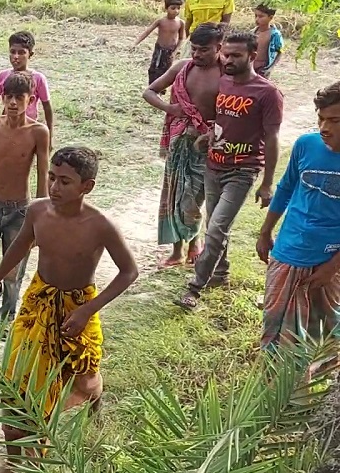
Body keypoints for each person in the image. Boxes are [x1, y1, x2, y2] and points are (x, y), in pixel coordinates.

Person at [0, 147, 138, 473]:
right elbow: (18, 248)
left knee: (85, 376)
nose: (54, 186)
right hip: (38, 304)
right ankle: (13, 462)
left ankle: (94, 400)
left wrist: (87, 311)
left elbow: (129, 272)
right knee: (16, 381)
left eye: (65, 181)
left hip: (78, 308)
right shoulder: (37, 211)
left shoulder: (100, 225)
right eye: (51, 177)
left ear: (86, 186)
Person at [176, 32, 283, 310]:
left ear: (252, 56)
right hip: (213, 164)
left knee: (216, 228)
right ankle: (220, 273)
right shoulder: (223, 82)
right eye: (226, 54)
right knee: (215, 225)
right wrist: (208, 136)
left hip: (243, 170)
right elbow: (222, 120)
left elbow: (272, 138)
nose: (229, 60)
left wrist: (267, 183)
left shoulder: (267, 93)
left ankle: (194, 288)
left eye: (236, 55)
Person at [255, 82, 340, 352]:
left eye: (334, 121)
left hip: (328, 258)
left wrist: (333, 266)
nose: (324, 128)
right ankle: (272, 374)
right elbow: (285, 188)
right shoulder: (306, 145)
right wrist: (265, 231)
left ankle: (316, 377)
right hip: (288, 249)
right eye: (321, 119)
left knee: (324, 331)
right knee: (274, 321)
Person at [0, 71, 51, 323]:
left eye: (19, 97)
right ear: (2, 98)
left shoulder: (38, 132)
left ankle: (6, 318)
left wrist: (40, 213)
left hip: (19, 210)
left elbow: (43, 172)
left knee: (14, 271)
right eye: (8, 97)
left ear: (30, 100)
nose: (13, 103)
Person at [145, 23, 224, 268]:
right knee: (175, 195)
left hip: (210, 145)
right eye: (195, 48)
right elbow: (150, 92)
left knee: (196, 197)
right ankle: (178, 251)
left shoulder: (229, 74)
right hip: (180, 142)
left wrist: (212, 132)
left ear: (219, 47)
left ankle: (195, 244)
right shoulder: (182, 68)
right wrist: (170, 108)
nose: (197, 54)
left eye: (204, 50)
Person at [0, 31, 54, 150]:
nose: (16, 56)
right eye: (12, 52)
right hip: (7, 126)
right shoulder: (3, 76)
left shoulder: (38, 78)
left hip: (27, 129)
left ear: (30, 54)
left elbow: (47, 108)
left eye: (21, 52)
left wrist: (50, 137)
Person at [133, 0, 186, 86]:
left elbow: (181, 38)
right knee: (153, 69)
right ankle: (152, 87)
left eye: (178, 8)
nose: (176, 11)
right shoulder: (161, 21)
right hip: (159, 49)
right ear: (166, 8)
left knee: (166, 71)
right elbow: (147, 31)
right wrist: (136, 43)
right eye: (173, 8)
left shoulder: (180, 23)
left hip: (170, 51)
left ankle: (162, 89)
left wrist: (175, 52)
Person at [253, 4, 285, 79]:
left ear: (270, 17)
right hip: (250, 67)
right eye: (256, 16)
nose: (257, 19)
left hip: (263, 69)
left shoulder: (274, 34)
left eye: (261, 16)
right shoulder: (253, 32)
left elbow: (280, 52)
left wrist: (271, 68)